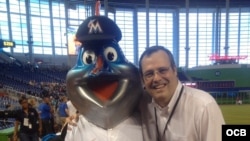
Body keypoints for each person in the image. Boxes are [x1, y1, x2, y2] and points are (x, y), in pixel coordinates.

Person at [139, 46, 225, 141]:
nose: (156, 78)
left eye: (162, 70)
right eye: (149, 74)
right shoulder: (142, 106)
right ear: (143, 80)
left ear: (174, 70)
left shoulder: (204, 106)